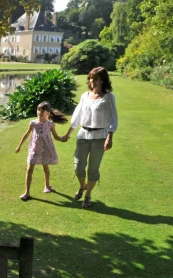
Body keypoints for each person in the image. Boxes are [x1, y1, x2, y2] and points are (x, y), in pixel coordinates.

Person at [63, 67, 118, 209]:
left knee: (93, 170)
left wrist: (110, 137)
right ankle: (83, 186)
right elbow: (77, 116)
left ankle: (87, 195)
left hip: (100, 136)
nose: (92, 80)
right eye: (91, 77)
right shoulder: (85, 95)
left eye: (95, 78)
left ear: (103, 80)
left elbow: (113, 117)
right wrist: (68, 134)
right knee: (78, 167)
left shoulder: (109, 97)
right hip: (83, 135)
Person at [15, 101, 68, 201]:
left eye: (42, 110)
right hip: (34, 149)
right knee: (29, 169)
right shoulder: (33, 123)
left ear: (48, 113)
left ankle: (47, 186)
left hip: (45, 149)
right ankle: (27, 193)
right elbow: (26, 135)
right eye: (38, 110)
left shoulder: (50, 124)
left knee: (45, 168)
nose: (40, 112)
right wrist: (19, 146)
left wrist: (63, 138)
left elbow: (56, 137)